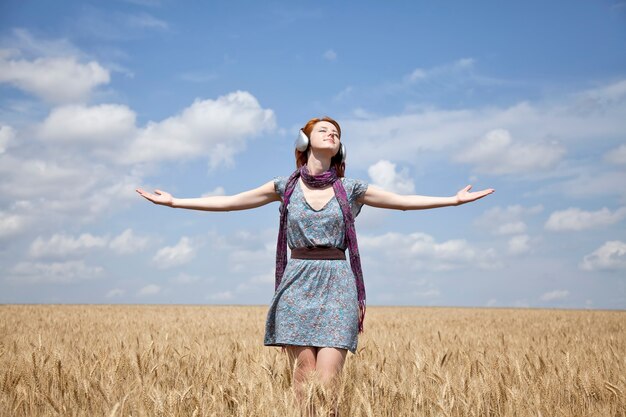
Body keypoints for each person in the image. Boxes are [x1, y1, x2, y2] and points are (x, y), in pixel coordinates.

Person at [136, 116, 494, 413]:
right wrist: (175, 202)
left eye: (336, 132)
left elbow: (401, 201)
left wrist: (452, 201)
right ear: (304, 141)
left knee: (328, 382)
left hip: (338, 283)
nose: (332, 133)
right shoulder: (284, 186)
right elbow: (232, 202)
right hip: (296, 284)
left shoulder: (350, 188)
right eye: (324, 129)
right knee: (303, 380)